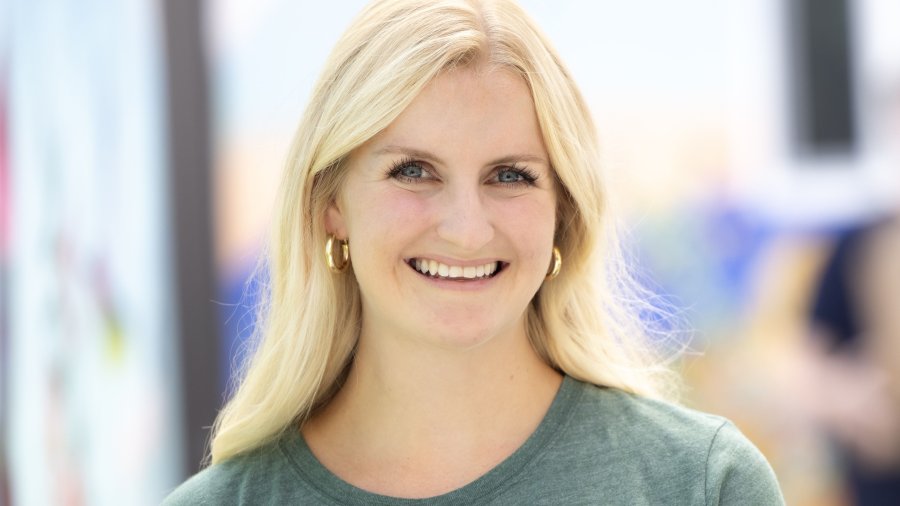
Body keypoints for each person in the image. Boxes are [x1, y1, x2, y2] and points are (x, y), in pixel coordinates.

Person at [165, 0, 784, 503]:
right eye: (413, 171)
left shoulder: (702, 485)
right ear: (331, 206)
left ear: (564, 212)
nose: (466, 229)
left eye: (510, 176)